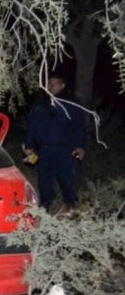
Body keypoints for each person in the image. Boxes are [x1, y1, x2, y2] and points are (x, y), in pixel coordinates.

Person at [23, 74, 86, 212]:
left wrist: (80, 146)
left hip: (66, 149)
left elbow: (80, 126)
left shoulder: (72, 104)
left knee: (67, 178)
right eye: (48, 83)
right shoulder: (39, 104)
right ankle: (46, 204)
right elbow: (32, 126)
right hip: (44, 149)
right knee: (44, 179)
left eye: (54, 83)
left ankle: (71, 204)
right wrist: (29, 145)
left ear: (62, 86)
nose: (50, 86)